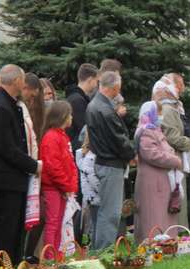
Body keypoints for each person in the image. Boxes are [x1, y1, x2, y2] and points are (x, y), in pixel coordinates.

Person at [0, 64, 42, 261]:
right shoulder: (0, 107)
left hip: (12, 179)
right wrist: (33, 165)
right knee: (6, 231)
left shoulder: (8, 103)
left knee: (16, 229)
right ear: (17, 81)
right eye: (23, 79)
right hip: (4, 181)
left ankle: (13, 267)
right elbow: (6, 147)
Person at [86, 71, 135, 250]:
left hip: (103, 162)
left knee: (105, 210)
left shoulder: (95, 105)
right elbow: (119, 139)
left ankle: (98, 250)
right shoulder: (105, 109)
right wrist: (132, 154)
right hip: (110, 164)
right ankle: (103, 251)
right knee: (111, 212)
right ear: (115, 87)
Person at [133, 101, 182, 243]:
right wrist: (174, 160)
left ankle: (167, 242)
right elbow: (152, 154)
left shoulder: (155, 129)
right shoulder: (145, 131)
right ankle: (153, 242)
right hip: (152, 182)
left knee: (162, 213)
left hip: (161, 179)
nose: (161, 116)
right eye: (159, 113)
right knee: (154, 213)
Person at [152, 73, 190, 227]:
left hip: (176, 160)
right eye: (179, 85)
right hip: (173, 161)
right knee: (176, 197)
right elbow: (172, 137)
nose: (181, 88)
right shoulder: (168, 109)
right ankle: (176, 231)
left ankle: (178, 230)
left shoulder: (173, 108)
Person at [39, 101, 78, 256]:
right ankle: (49, 256)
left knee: (59, 221)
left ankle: (55, 253)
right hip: (53, 188)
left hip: (61, 188)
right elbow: (53, 166)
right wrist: (66, 186)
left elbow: (69, 164)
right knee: (53, 223)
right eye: (69, 114)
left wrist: (70, 186)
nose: (71, 117)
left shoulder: (62, 136)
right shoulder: (51, 137)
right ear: (62, 116)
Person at [21, 73, 46, 262]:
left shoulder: (40, 115)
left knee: (39, 215)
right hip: (25, 167)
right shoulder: (18, 110)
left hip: (36, 168)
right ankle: (21, 254)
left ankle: (27, 254)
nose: (32, 101)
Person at [66, 63, 99, 151]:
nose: (97, 85)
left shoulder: (76, 98)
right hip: (77, 147)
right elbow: (84, 128)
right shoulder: (78, 100)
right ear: (90, 80)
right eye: (96, 81)